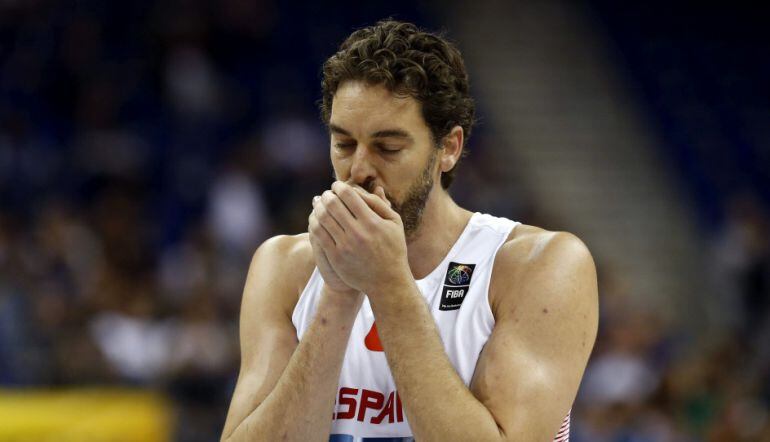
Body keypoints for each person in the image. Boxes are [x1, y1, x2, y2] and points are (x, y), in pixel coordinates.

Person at [221, 20, 598, 442]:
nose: (358, 170)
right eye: (343, 144)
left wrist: (389, 285)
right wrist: (340, 292)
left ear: (449, 148)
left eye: (388, 148)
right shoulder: (284, 266)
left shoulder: (538, 265)